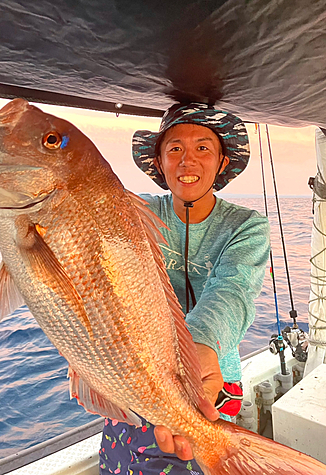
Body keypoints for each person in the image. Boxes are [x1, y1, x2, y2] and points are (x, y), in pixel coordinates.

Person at [99, 102, 270, 475]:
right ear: (159, 163)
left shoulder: (246, 226)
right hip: (135, 374)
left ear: (222, 162)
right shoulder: (137, 214)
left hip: (212, 380)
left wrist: (199, 349)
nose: (187, 161)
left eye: (203, 148)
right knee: (117, 464)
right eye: (174, 148)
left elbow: (233, 290)